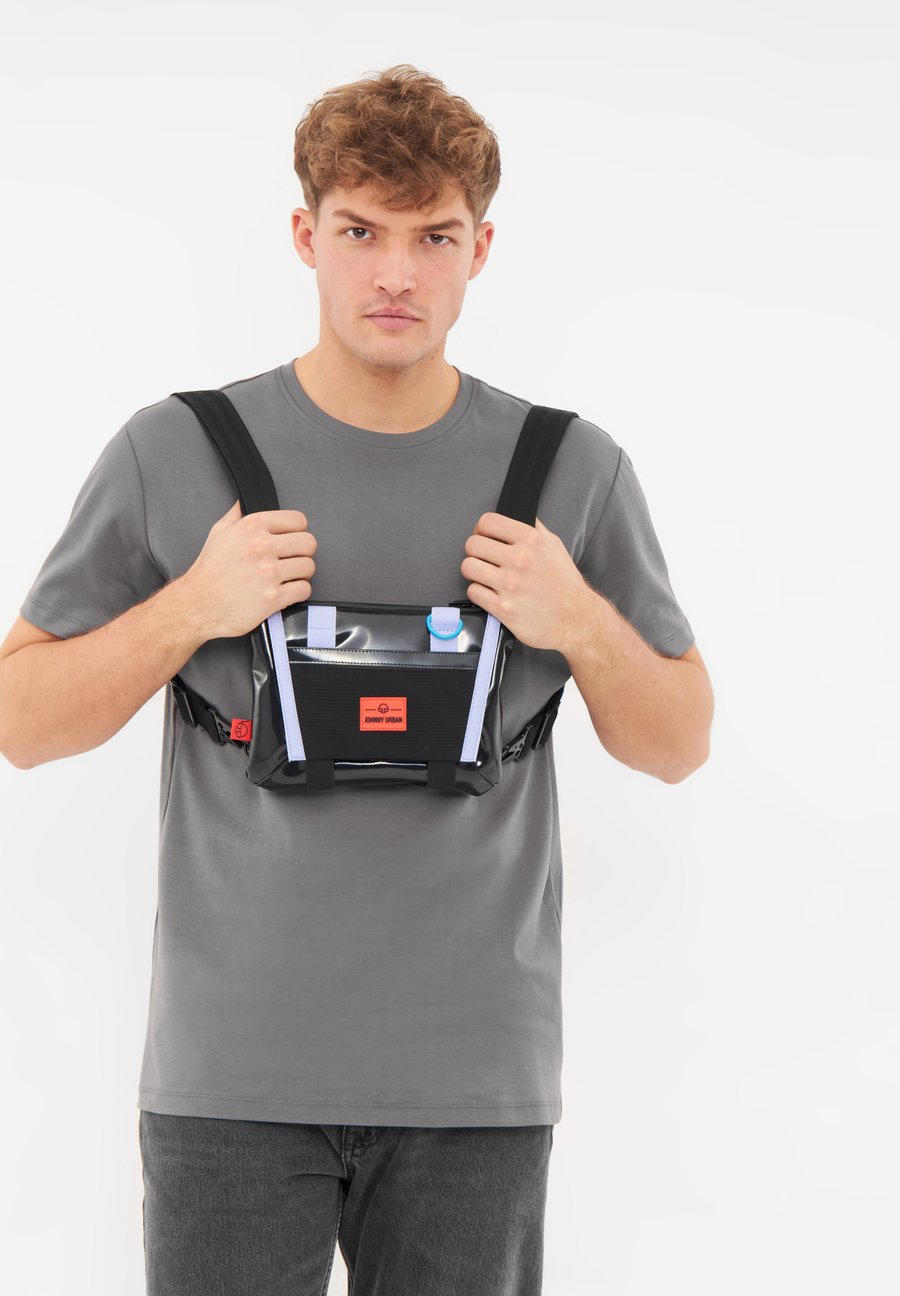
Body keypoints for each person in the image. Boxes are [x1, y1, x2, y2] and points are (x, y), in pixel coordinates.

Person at [0, 63, 713, 1296]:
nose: (396, 274)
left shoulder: (573, 467)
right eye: (361, 232)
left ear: (481, 248)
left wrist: (580, 622)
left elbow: (680, 743)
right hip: (231, 1080)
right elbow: (21, 721)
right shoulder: (174, 449)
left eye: (433, 236)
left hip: (473, 1087)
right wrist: (193, 607)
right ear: (305, 236)